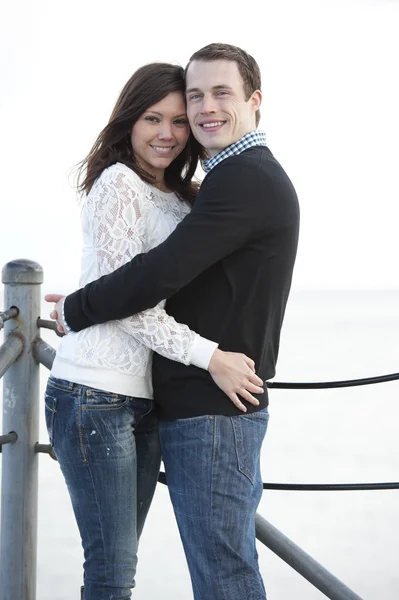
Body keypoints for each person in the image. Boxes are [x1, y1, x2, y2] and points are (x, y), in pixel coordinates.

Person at [48, 43, 300, 600]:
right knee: (126, 571)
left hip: (206, 405)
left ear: (254, 101)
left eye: (217, 96)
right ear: (128, 121)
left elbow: (155, 276)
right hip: (118, 393)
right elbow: (150, 279)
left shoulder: (232, 183)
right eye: (189, 101)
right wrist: (93, 299)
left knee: (219, 571)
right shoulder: (208, 183)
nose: (189, 120)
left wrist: (79, 306)